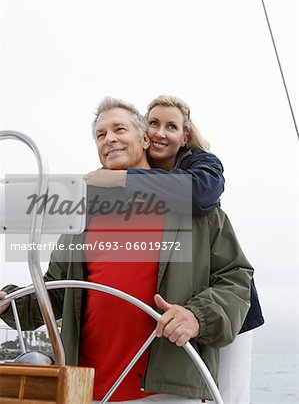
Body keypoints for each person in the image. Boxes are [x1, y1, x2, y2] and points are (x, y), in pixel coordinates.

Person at [0, 97, 253, 403]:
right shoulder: (79, 214)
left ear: (145, 138)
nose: (110, 139)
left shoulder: (192, 206)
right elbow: (55, 293)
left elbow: (236, 278)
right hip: (87, 390)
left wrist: (197, 316)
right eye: (100, 134)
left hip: (167, 391)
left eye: (119, 128)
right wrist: (9, 303)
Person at [85, 95, 265, 404]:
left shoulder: (197, 174)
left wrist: (120, 178)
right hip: (103, 385)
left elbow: (201, 194)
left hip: (229, 316)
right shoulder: (100, 204)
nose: (159, 133)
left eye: (171, 126)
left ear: (184, 137)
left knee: (232, 394)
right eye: (153, 123)